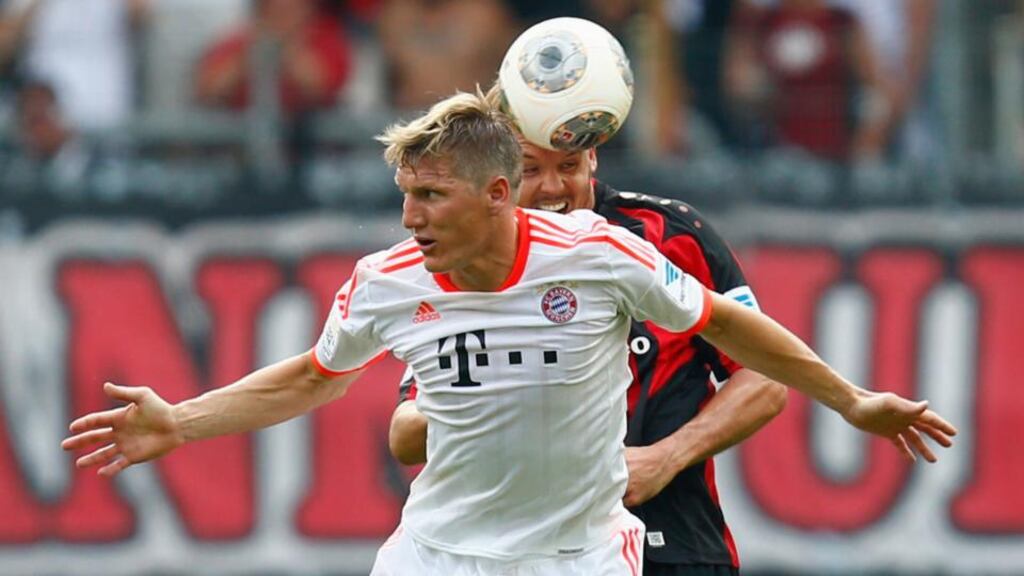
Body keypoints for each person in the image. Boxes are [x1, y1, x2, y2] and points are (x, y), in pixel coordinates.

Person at [62, 90, 955, 576]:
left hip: (580, 558)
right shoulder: (388, 281)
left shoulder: (603, 254)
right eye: (405, 194)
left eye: (430, 195)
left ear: (497, 193)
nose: (409, 216)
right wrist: (180, 421)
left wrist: (851, 399)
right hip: (437, 556)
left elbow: (735, 329)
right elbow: (308, 378)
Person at [387, 83, 787, 575]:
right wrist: (490, 394)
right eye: (532, 169)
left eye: (569, 165)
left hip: (678, 544)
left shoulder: (668, 236)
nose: (554, 188)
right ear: (498, 178)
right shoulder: (467, 266)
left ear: (594, 157)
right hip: (534, 552)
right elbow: (406, 434)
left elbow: (766, 377)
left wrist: (666, 457)